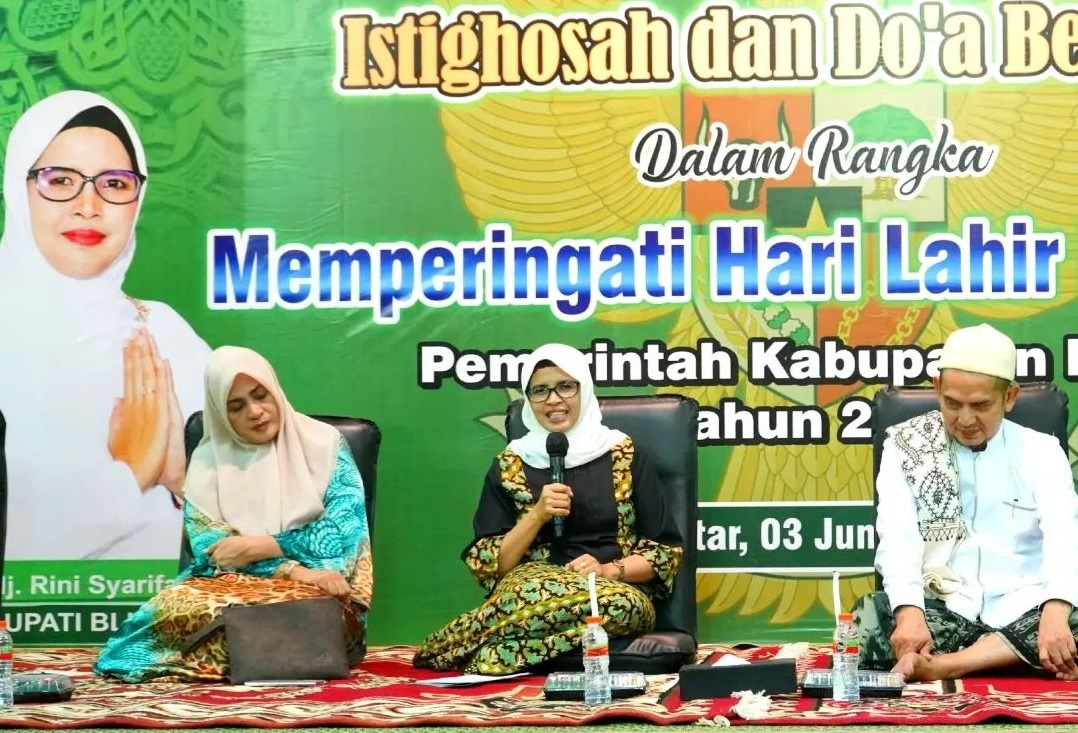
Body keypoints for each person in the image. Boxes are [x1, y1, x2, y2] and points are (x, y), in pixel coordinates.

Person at [0, 90, 210, 559]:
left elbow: (265, 523)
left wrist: (184, 479)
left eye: (114, 183)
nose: (88, 205)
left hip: (165, 606)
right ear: (18, 188)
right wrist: (131, 474)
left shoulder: (165, 335)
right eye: (60, 180)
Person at [94, 346, 374, 682]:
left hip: (319, 592)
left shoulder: (325, 445)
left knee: (292, 611)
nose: (255, 412)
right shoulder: (207, 462)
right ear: (221, 415)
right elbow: (214, 550)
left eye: (260, 395)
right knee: (176, 606)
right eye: (236, 407)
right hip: (234, 588)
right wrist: (292, 570)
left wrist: (262, 545)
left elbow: (342, 532)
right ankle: (262, 659)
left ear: (274, 389)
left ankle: (233, 659)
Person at [413, 343, 683, 674]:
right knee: (526, 592)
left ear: (584, 389)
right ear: (529, 399)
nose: (553, 399)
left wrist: (608, 570)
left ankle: (475, 646)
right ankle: (494, 651)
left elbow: (664, 552)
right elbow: (492, 564)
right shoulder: (510, 463)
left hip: (611, 589)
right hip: (530, 582)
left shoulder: (623, 453)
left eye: (565, 386)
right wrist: (537, 514)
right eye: (540, 391)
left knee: (622, 607)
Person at [857, 323, 1078, 682]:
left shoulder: (1041, 451)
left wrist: (1055, 611)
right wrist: (909, 614)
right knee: (870, 616)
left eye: (981, 405)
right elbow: (898, 539)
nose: (965, 419)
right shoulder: (907, 447)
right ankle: (1011, 657)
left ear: (1010, 397)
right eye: (952, 403)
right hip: (945, 609)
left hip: (1026, 606)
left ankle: (945, 666)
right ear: (937, 389)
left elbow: (1064, 538)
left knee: (1069, 614)